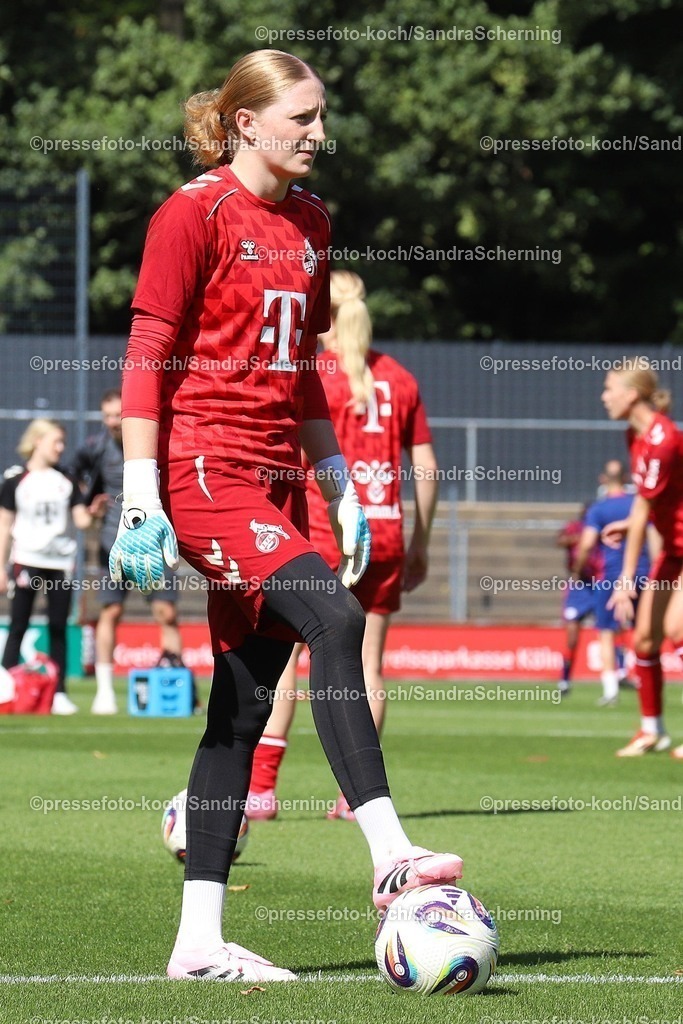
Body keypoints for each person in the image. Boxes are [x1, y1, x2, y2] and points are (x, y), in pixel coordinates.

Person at [109, 49, 463, 983]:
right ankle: (390, 853)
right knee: (336, 618)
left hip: (273, 477)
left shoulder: (311, 222)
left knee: (242, 701)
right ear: (244, 123)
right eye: (299, 118)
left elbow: (303, 365)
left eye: (318, 116)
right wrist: (141, 489)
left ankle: (196, 945)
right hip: (199, 469)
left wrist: (337, 473)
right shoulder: (192, 213)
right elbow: (147, 350)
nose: (316, 134)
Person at [246, 270, 439, 822]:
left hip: (323, 530)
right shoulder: (399, 377)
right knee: (369, 666)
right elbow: (425, 466)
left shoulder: (312, 372)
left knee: (286, 658)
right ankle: (358, 800)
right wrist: (419, 540)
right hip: (386, 533)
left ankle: (261, 789)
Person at [72, 388, 187, 715]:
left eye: (116, 414)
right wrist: (88, 507)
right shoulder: (95, 450)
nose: (111, 422)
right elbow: (76, 479)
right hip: (113, 546)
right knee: (109, 613)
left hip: (154, 542)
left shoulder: (155, 441)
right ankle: (105, 692)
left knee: (167, 614)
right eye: (106, 415)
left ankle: (176, 686)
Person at [601, 360, 683, 756]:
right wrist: (629, 526)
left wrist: (625, 578)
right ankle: (653, 730)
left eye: (609, 388)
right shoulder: (635, 437)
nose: (604, 396)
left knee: (676, 630)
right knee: (645, 639)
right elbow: (646, 505)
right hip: (675, 548)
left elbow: (641, 511)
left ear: (632, 393)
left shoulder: (664, 438)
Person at [0, 419, 94, 714]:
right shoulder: (16, 479)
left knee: (58, 627)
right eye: (56, 441)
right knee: (18, 625)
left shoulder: (65, 479)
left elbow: (82, 521)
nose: (61, 448)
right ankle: (6, 686)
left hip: (60, 563)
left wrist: (95, 510)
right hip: (27, 559)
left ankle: (59, 692)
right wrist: (1, 567)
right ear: (37, 440)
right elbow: (5, 524)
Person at [573, 459, 652, 706]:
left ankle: (611, 691)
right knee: (647, 633)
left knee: (606, 633)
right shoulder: (638, 505)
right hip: (643, 575)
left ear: (603, 479)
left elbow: (586, 545)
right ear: (627, 477)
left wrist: (579, 569)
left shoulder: (598, 509)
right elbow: (653, 536)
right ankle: (647, 687)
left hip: (611, 579)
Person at [555, 505, 600, 696]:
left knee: (612, 629)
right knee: (572, 636)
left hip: (601, 584)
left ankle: (619, 675)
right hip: (579, 587)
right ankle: (564, 680)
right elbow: (560, 541)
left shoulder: (603, 528)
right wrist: (576, 540)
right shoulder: (574, 528)